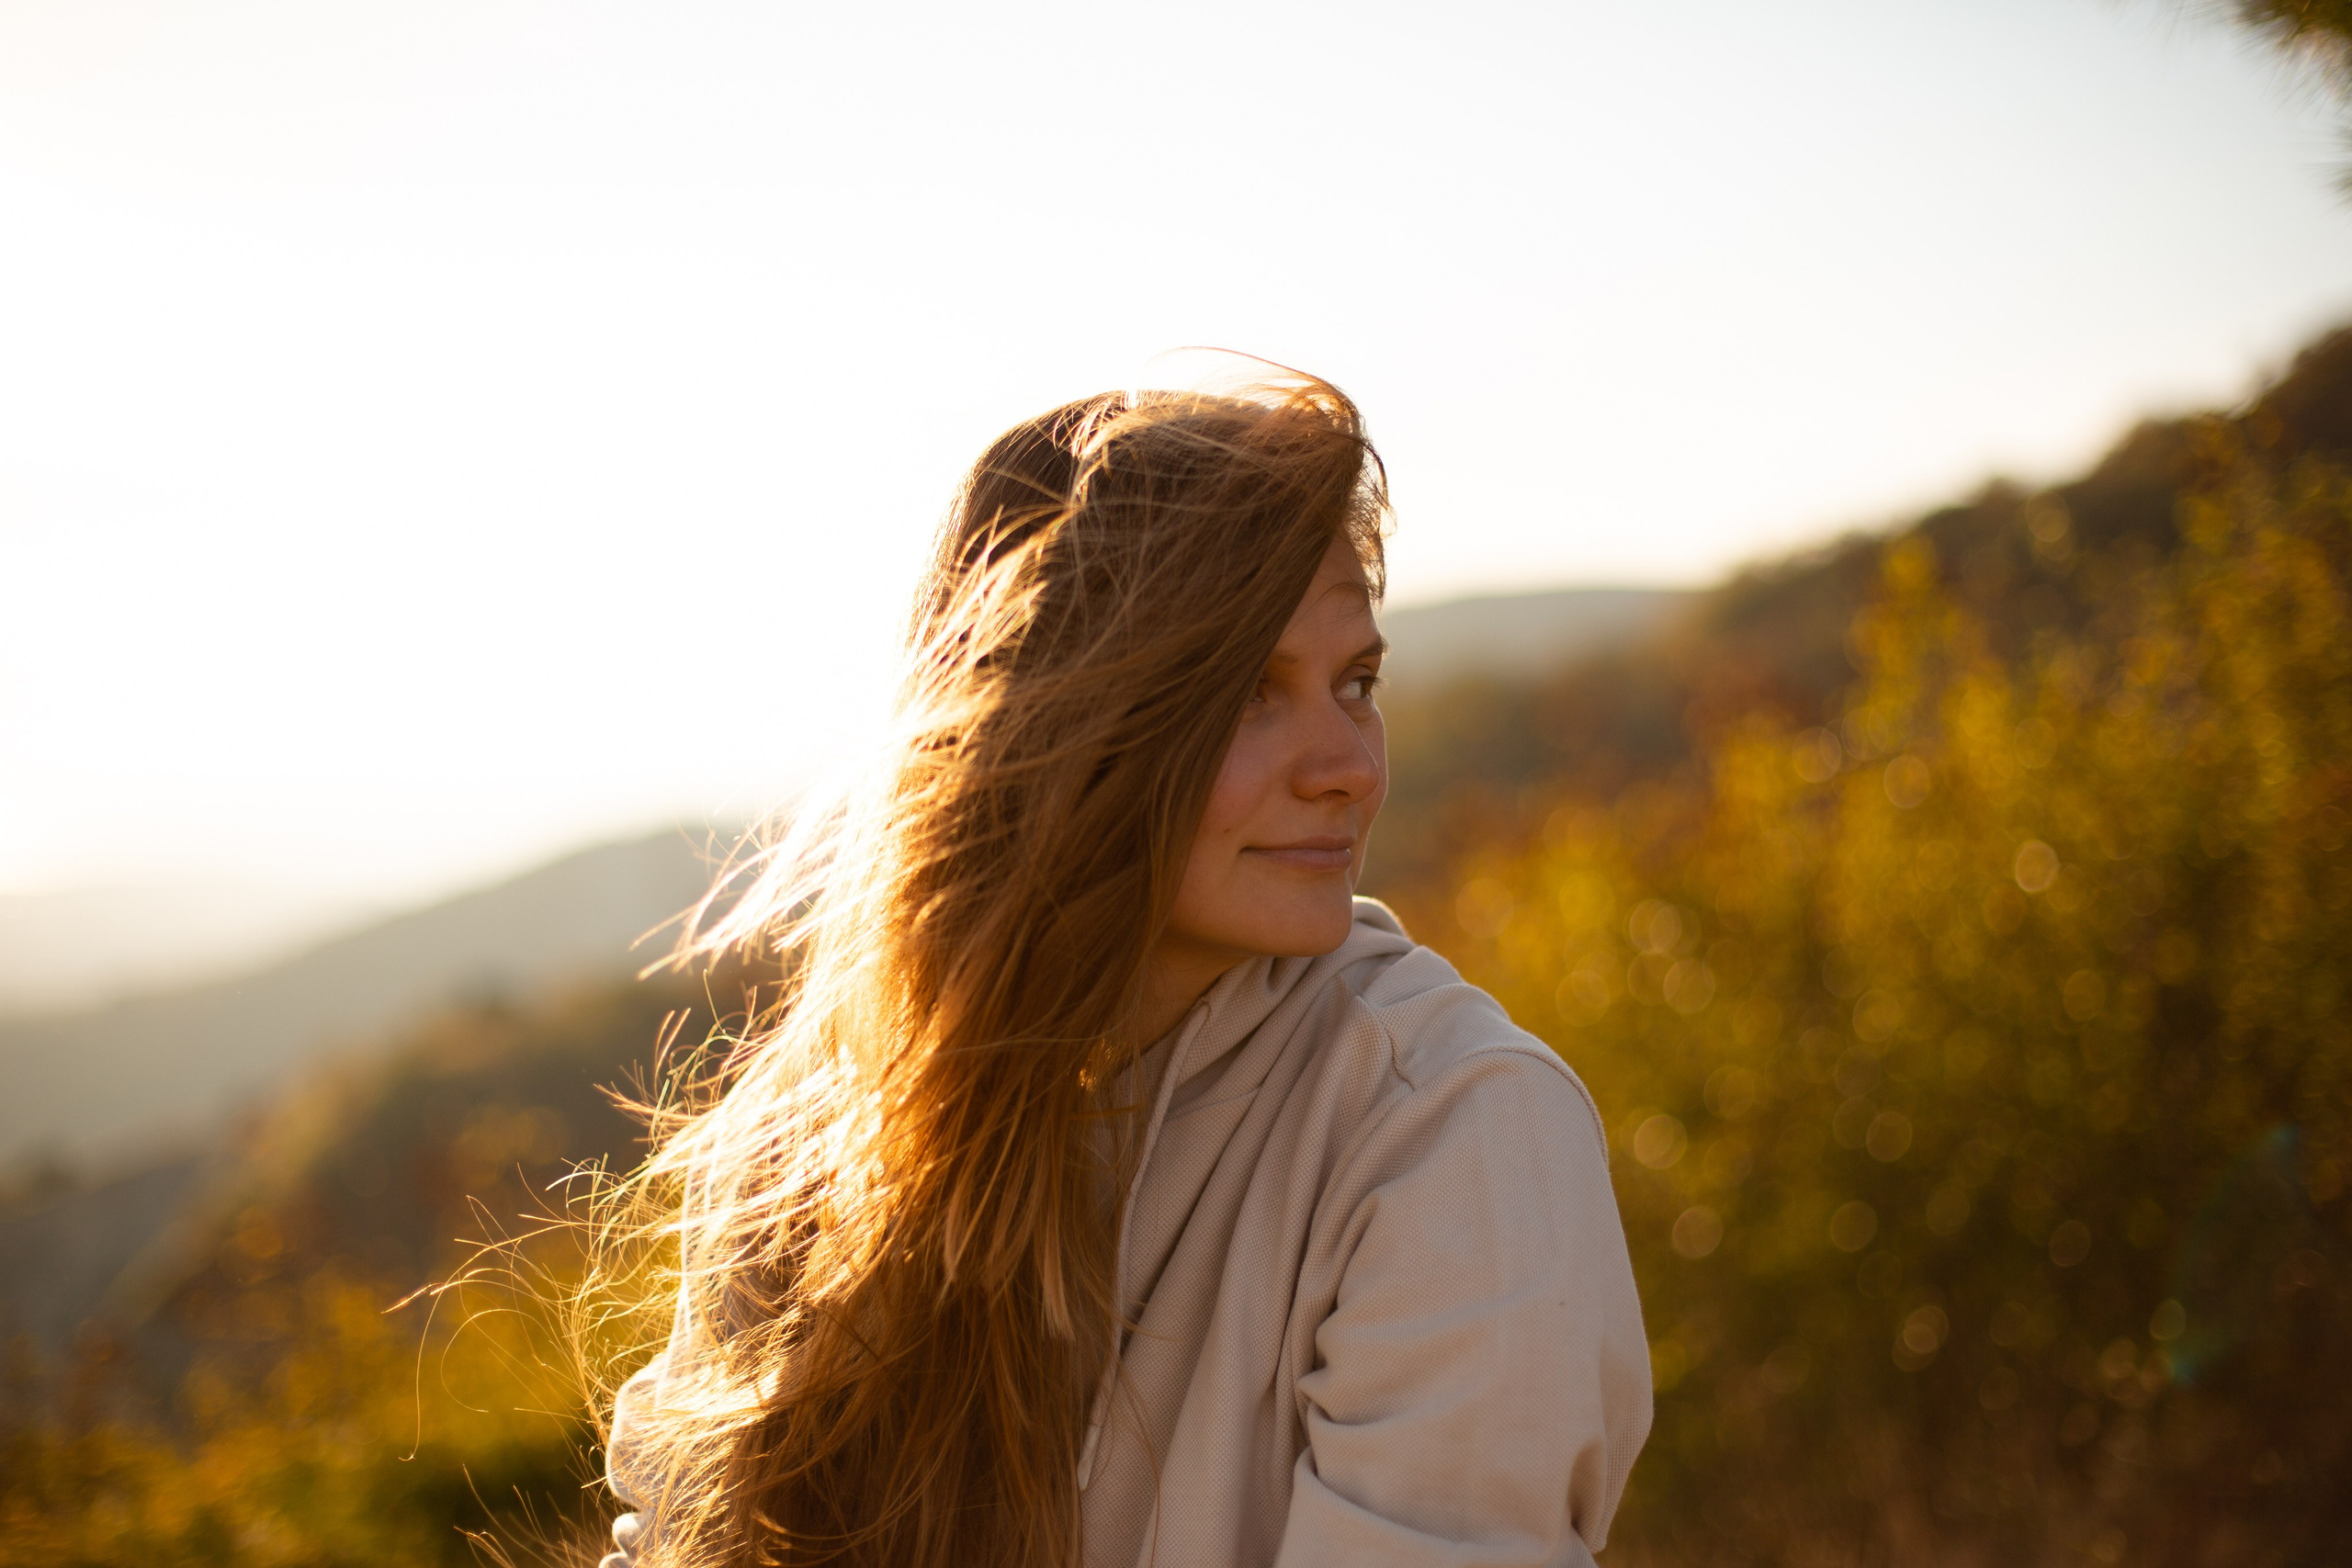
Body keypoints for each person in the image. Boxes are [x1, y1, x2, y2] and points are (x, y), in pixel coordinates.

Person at [594, 370, 1650, 1568]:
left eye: (1357, 683)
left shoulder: (1450, 1135)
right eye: (1250, 692)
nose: (1348, 765)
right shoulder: (805, 1148)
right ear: (1057, 732)